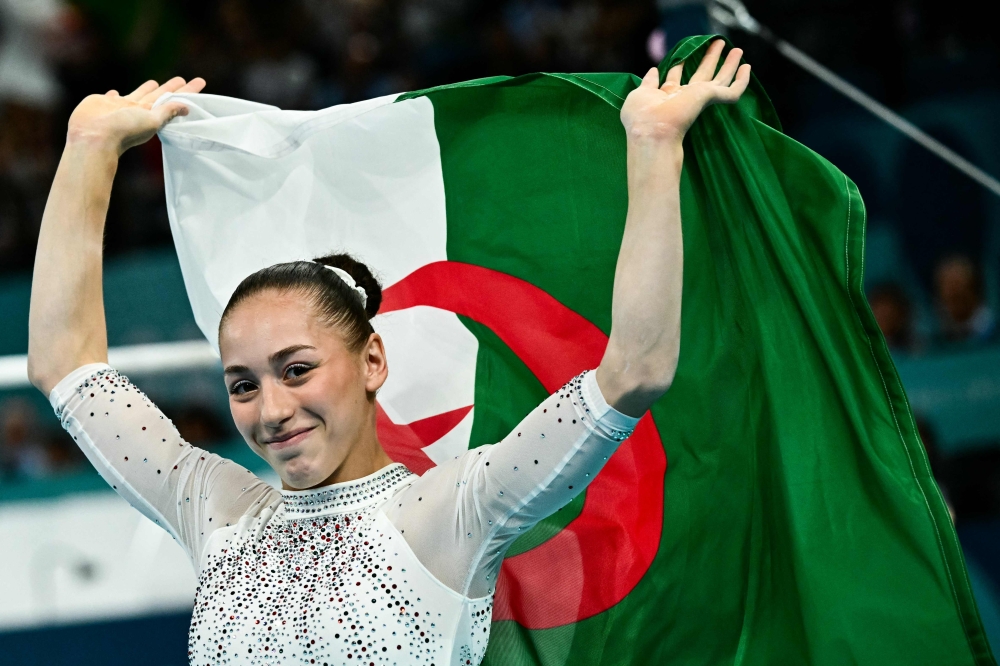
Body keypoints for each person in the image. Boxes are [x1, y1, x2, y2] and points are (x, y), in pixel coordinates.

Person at [27, 40, 750, 665]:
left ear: (373, 361)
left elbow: (635, 372)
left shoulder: (452, 508)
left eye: (297, 369)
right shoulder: (217, 512)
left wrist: (654, 150)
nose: (271, 409)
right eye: (242, 385)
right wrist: (88, 148)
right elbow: (67, 366)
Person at [934, 253, 996, 346]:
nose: (953, 292)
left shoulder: (993, 325)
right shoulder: (932, 329)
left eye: (957, 284)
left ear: (972, 288)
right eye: (947, 286)